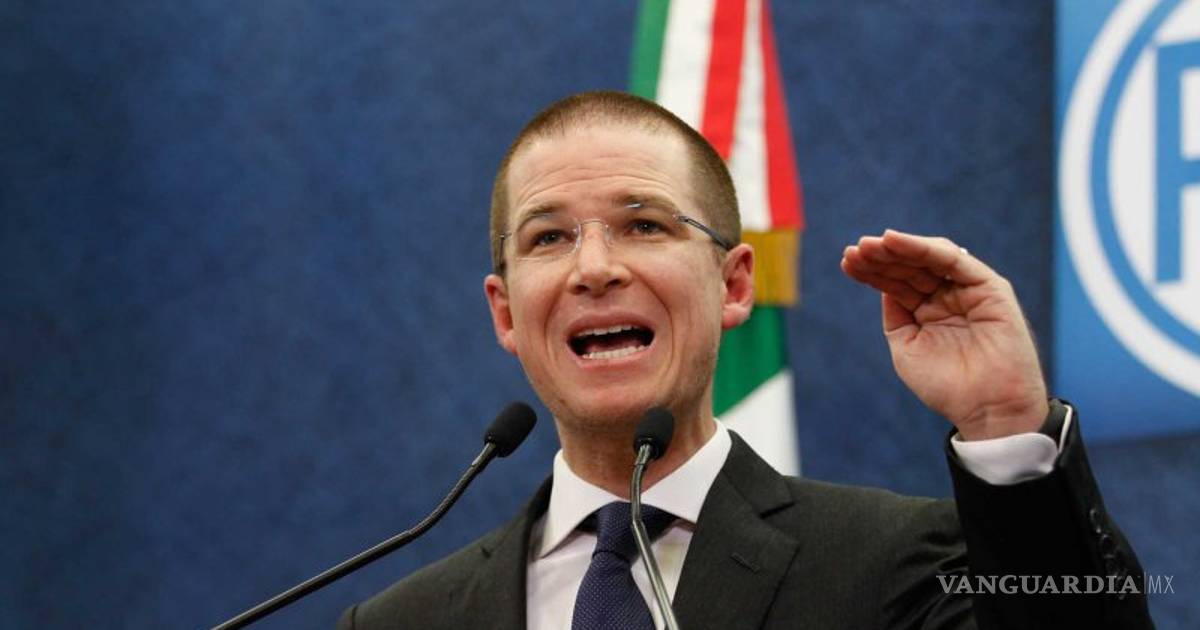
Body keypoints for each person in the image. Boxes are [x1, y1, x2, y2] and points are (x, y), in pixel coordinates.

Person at [338, 91, 1153, 629]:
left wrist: (1005, 424)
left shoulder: (895, 565)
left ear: (732, 286)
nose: (594, 268)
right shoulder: (401, 622)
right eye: (549, 237)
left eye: (645, 225)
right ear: (506, 312)